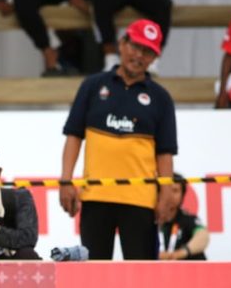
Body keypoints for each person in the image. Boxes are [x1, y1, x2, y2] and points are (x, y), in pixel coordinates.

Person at [60, 19, 176, 260]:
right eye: (135, 47)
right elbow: (74, 134)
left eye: (147, 52)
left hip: (141, 199)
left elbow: (165, 152)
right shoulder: (92, 86)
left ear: (155, 58)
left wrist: (166, 193)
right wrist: (66, 180)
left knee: (143, 274)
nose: (139, 56)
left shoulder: (161, 97)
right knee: (94, 273)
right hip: (96, 196)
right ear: (122, 44)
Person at [158, 173, 208, 260]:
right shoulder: (149, 219)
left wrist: (180, 253)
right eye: (167, 190)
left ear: (182, 194)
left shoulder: (188, 219)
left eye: (175, 191)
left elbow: (203, 236)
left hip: (185, 270)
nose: (170, 196)